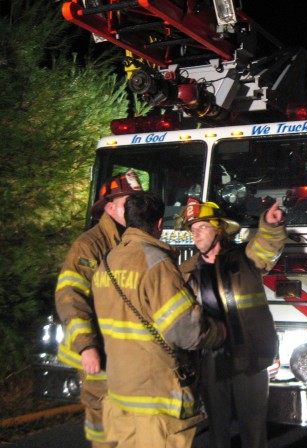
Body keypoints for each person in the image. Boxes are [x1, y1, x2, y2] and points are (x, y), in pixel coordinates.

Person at [92, 191, 227, 448]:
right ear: (158, 224)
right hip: (156, 398)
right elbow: (186, 331)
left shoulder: (107, 262)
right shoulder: (156, 263)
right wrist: (219, 332)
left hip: (118, 393)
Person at [176, 197, 287, 448]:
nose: (196, 235)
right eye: (192, 230)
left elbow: (266, 248)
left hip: (248, 356)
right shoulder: (185, 271)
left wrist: (269, 226)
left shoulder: (244, 259)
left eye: (202, 227)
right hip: (210, 359)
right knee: (218, 429)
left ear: (219, 229)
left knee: (253, 429)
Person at [54, 168, 143, 448]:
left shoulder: (133, 239)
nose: (134, 208)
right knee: (103, 424)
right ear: (109, 206)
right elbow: (70, 295)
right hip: (100, 351)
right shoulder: (89, 245)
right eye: (128, 202)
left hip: (125, 351)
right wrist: (86, 346)